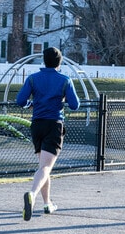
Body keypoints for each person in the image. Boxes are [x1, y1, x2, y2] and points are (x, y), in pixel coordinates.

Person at [16, 47, 80, 221]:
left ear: (43, 60)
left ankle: (47, 204)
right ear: (60, 62)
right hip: (54, 124)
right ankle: (32, 194)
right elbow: (75, 105)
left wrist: (31, 104)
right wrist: (63, 99)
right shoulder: (65, 80)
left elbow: (20, 100)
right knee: (45, 167)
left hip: (37, 124)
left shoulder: (32, 78)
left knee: (43, 167)